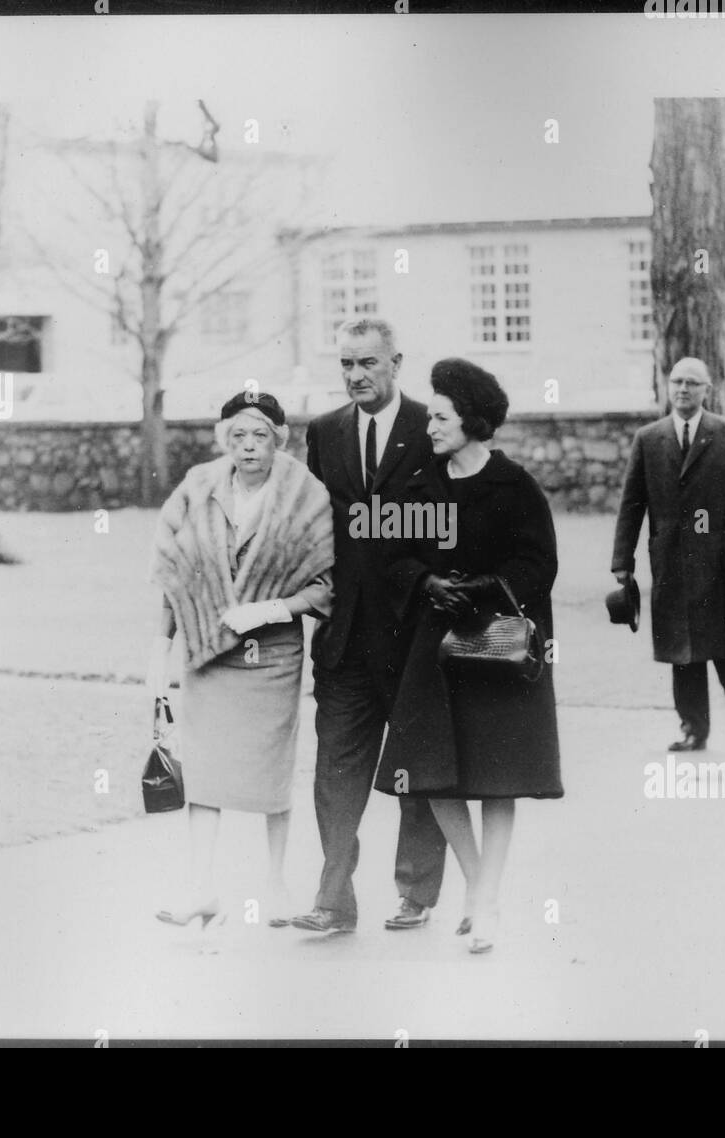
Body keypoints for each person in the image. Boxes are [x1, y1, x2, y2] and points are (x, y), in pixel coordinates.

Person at [374, 358, 562, 955]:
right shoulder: (417, 485)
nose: (429, 426)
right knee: (433, 774)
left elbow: (538, 565)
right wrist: (426, 583)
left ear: (472, 421)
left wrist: (484, 588)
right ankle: (480, 885)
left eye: (440, 417)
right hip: (436, 647)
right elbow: (391, 554)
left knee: (497, 778)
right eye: (430, 415)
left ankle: (485, 899)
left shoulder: (514, 485)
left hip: (498, 648)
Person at [146, 391, 334, 931]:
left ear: (279, 439)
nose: (249, 447)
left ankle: (275, 885)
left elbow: (326, 585)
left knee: (270, 768)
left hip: (271, 652)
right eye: (238, 436)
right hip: (207, 648)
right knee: (203, 770)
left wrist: (272, 608)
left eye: (260, 436)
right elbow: (173, 573)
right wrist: (161, 649)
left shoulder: (305, 493)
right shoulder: (198, 487)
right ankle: (201, 887)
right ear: (224, 438)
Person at [290, 318, 449, 936]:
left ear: (396, 362)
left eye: (368, 364)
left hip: (414, 636)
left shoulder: (428, 428)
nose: (356, 376)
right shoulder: (325, 432)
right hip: (345, 638)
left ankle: (415, 891)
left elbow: (444, 526)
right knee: (335, 769)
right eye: (347, 365)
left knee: (414, 766)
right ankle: (333, 898)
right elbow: (312, 529)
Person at [611, 356, 725, 751]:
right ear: (667, 386)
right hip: (671, 564)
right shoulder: (649, 438)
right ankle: (693, 728)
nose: (682, 389)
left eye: (692, 383)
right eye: (676, 381)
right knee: (682, 650)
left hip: (721, 563)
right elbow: (632, 504)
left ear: (706, 390)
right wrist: (622, 564)